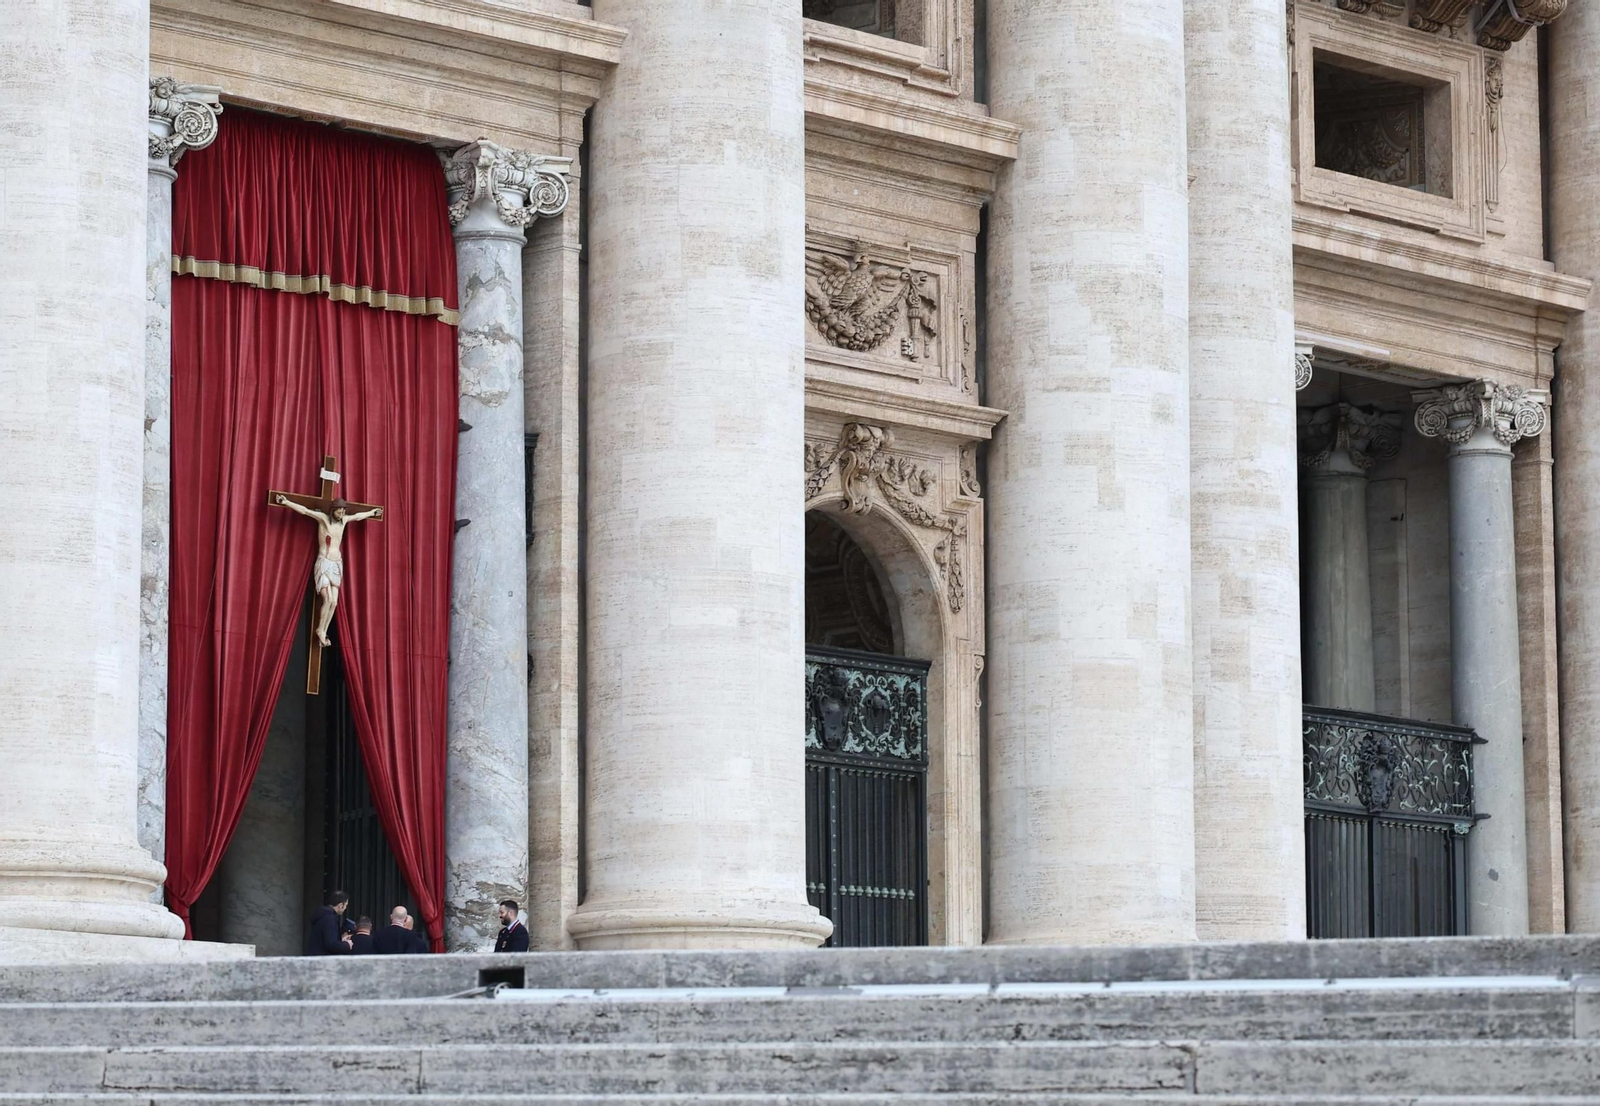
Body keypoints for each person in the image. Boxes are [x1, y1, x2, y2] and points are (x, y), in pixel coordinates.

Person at [304, 890, 353, 955]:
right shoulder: (330, 919)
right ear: (340, 905)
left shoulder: (323, 916)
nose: (345, 908)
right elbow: (331, 944)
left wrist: (341, 940)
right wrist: (347, 945)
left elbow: (326, 940)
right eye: (346, 905)